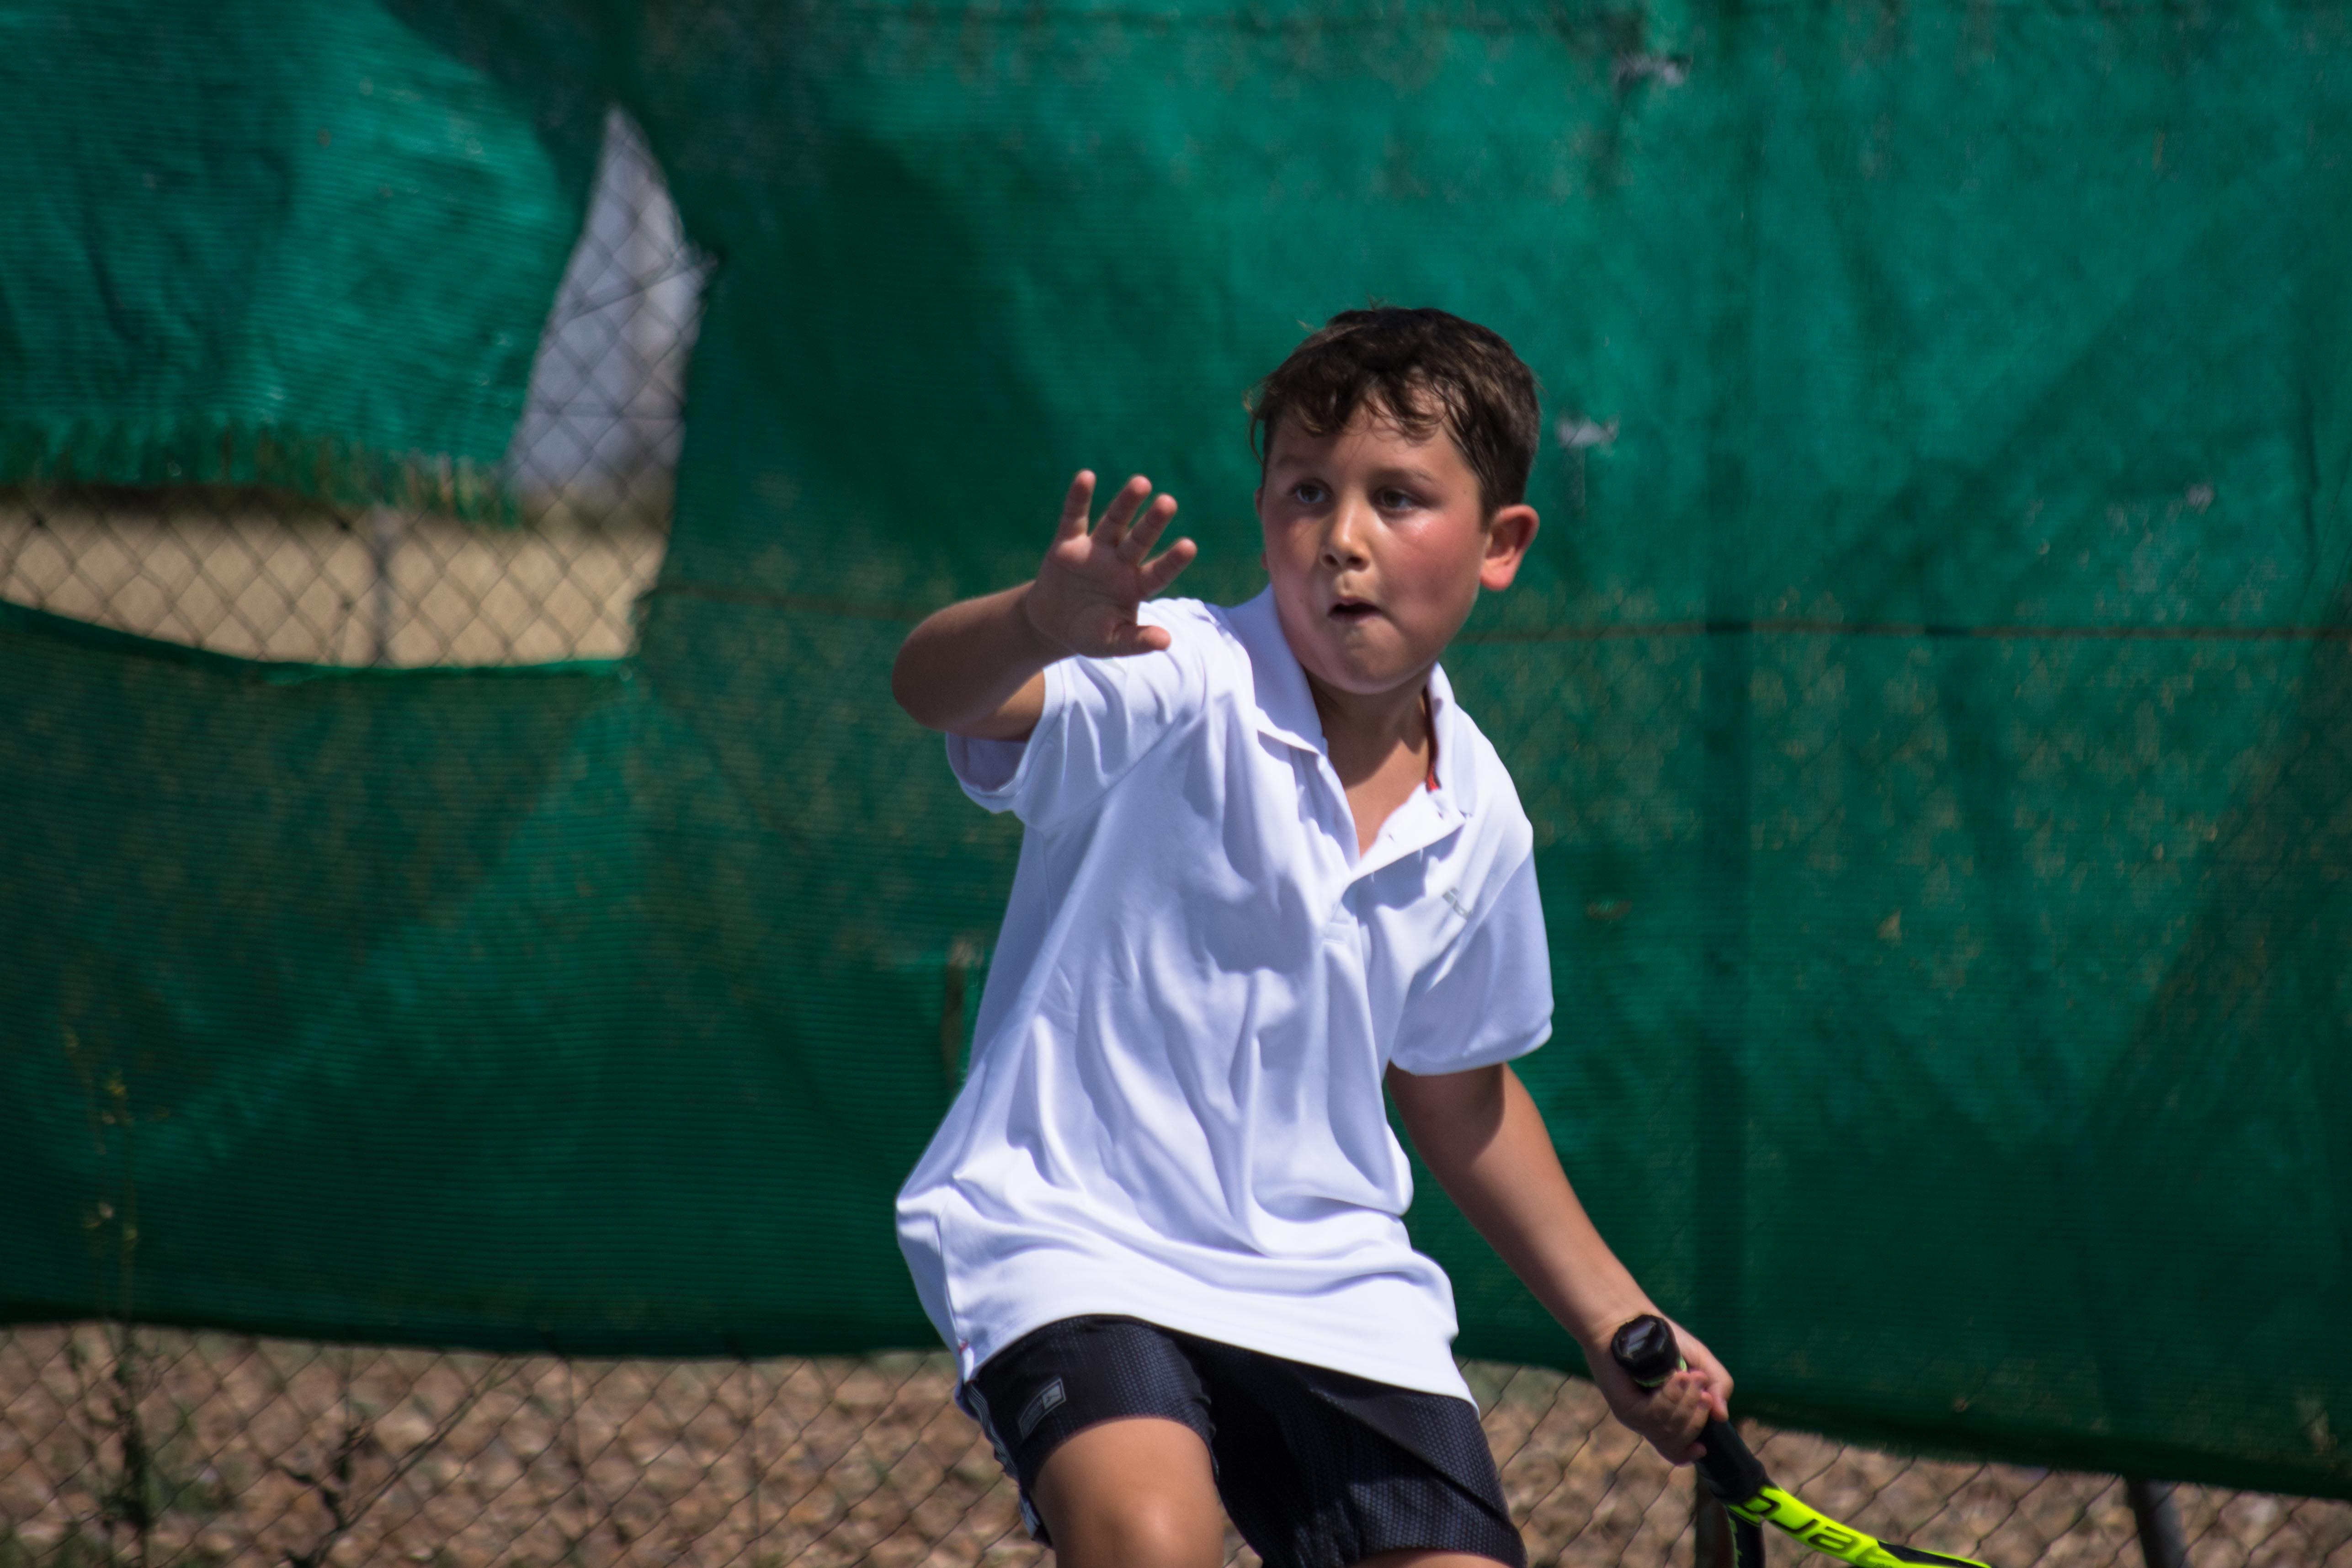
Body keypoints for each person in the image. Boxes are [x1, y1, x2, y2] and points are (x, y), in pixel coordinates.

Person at [891, 307, 1732, 1568]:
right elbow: (931, 689)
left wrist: (1617, 1322)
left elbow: (1457, 1091)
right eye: (1305, 492)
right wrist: (1034, 623)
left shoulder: (1480, 811)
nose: (1342, 537)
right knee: (1152, 1544)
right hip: (1072, 1240)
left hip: (1333, 1287)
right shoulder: (1173, 668)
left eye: (1398, 498)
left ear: (1500, 544)